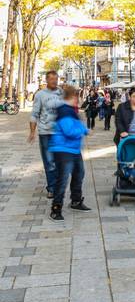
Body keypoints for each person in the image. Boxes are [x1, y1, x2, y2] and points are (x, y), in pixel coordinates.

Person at [48, 85, 91, 222]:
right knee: (63, 178)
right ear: (73, 97)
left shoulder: (71, 111)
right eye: (77, 97)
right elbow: (69, 131)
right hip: (63, 150)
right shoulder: (65, 111)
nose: (78, 100)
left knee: (79, 173)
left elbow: (78, 125)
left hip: (73, 149)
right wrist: (84, 131)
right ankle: (56, 208)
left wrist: (83, 128)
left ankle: (76, 201)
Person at [29, 70, 63, 199]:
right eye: (52, 79)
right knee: (49, 162)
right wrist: (32, 131)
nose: (54, 81)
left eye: (56, 79)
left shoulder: (62, 93)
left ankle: (58, 185)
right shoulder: (40, 94)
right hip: (45, 133)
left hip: (60, 133)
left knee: (59, 161)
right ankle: (52, 188)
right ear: (46, 80)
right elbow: (34, 114)